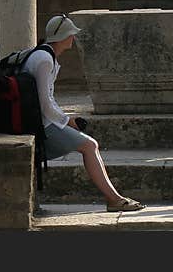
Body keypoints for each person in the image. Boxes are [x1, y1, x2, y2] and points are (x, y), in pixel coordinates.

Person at [21, 13, 146, 212]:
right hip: (41, 125)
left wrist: (66, 119)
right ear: (62, 37)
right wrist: (67, 121)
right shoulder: (45, 59)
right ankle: (114, 199)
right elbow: (45, 103)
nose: (73, 38)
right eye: (70, 34)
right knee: (90, 145)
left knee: (90, 145)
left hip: (41, 120)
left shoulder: (43, 54)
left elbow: (47, 99)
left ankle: (115, 198)